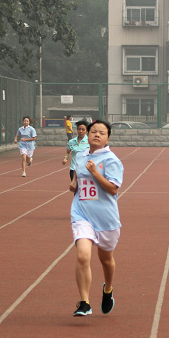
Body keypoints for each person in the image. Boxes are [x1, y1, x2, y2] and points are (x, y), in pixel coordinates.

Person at [68, 119, 124, 317]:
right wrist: (75, 183)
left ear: (108, 138)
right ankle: (84, 302)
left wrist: (95, 173)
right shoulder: (82, 155)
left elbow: (112, 189)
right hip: (81, 213)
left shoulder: (112, 160)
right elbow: (78, 174)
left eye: (102, 132)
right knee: (83, 255)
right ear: (88, 135)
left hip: (106, 218)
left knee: (106, 260)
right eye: (94, 131)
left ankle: (107, 289)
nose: (97, 135)